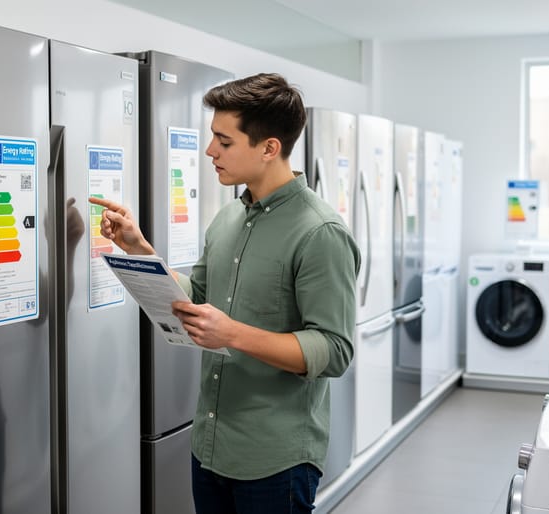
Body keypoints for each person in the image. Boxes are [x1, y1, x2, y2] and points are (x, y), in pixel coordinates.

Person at [89, 72, 360, 513]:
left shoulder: (320, 233)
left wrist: (232, 334)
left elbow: (333, 350)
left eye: (224, 141)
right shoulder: (228, 218)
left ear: (269, 148)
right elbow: (197, 296)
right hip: (211, 448)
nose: (210, 151)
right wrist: (138, 248)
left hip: (276, 461)